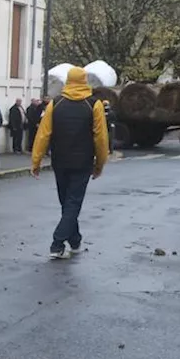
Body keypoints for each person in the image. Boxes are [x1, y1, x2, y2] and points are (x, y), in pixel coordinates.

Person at [31, 66, 109, 259]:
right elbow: (101, 138)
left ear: (68, 81)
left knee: (66, 203)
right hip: (83, 162)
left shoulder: (55, 104)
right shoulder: (94, 105)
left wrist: (36, 161)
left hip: (60, 161)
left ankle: (75, 241)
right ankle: (57, 243)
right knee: (72, 204)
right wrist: (100, 163)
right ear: (84, 81)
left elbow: (43, 134)